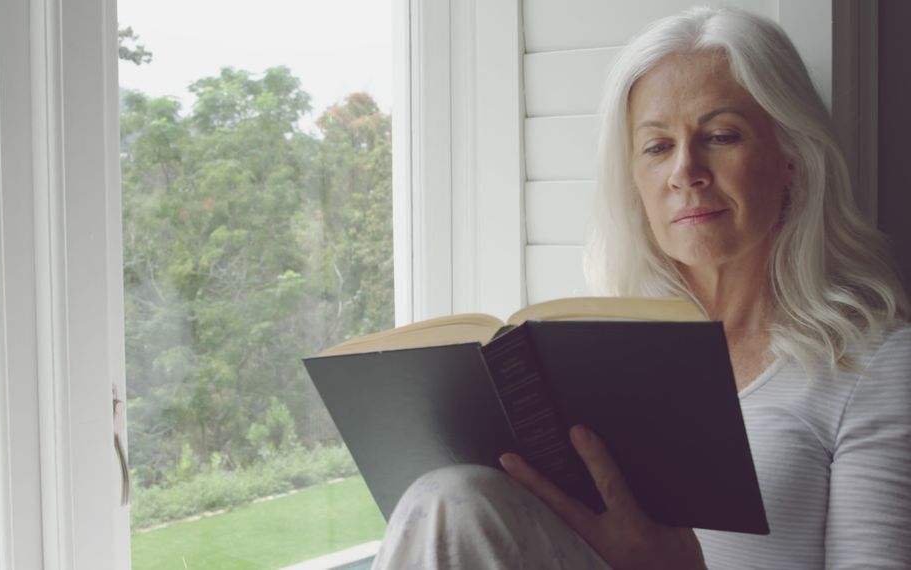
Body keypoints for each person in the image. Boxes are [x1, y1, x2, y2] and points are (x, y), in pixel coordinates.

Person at [371, 6, 911, 569]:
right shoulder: (587, 359)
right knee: (447, 496)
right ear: (633, 178)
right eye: (657, 147)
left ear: (792, 158)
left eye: (721, 136)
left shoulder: (871, 364)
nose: (686, 172)